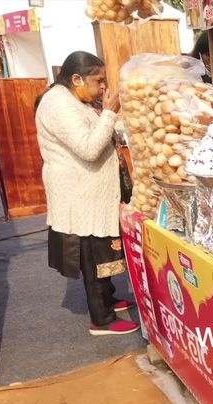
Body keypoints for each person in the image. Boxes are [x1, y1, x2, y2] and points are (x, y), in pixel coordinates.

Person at [35, 51, 140, 336]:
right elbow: (89, 149)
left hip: (91, 193)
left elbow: (103, 128)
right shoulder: (58, 105)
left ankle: (109, 299)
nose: (103, 87)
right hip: (79, 195)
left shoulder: (76, 99)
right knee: (94, 256)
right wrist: (108, 113)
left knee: (102, 251)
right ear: (77, 79)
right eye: (98, 81)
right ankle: (102, 319)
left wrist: (115, 117)